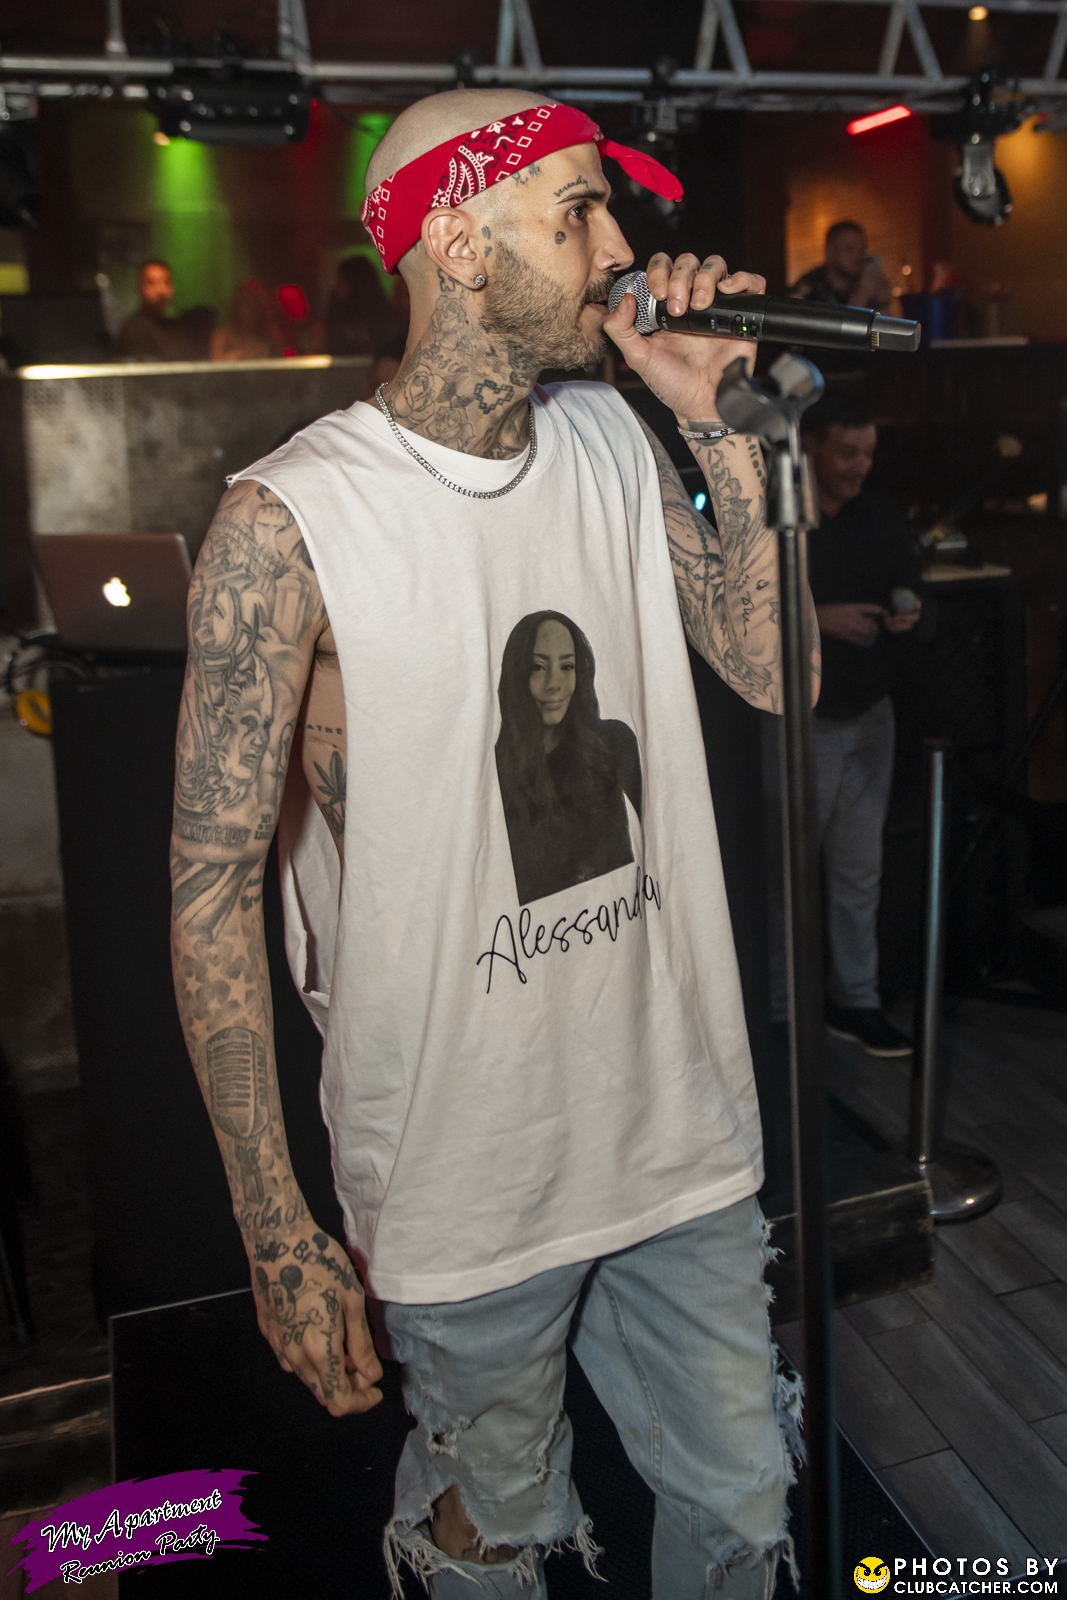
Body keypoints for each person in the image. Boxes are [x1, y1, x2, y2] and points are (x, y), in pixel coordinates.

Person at [171, 87, 818, 1600]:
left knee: (742, 1503)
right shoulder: (290, 523)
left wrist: (711, 417)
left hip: (672, 1126)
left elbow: (775, 672)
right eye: (577, 210)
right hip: (465, 1172)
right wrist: (275, 1228)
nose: (619, 247)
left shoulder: (611, 439)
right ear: (458, 245)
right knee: (500, 1524)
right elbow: (208, 897)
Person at [773, 391, 922, 1058]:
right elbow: (738, 612)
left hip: (869, 710)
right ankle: (779, 1009)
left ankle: (854, 1000)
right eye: (847, 453)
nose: (859, 465)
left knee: (860, 872)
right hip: (801, 718)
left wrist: (911, 610)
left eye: (868, 453)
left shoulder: (882, 516)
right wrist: (819, 619)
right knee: (785, 875)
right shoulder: (779, 515)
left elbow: (911, 585)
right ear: (810, 446)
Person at [495, 610, 642, 905]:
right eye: (538, 667)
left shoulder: (614, 743)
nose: (554, 683)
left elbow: (662, 836)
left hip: (620, 918)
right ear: (517, 674)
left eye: (567, 666)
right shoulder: (495, 769)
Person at [789, 220, 892, 312]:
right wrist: (861, 296)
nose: (859, 256)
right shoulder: (808, 289)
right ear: (829, 251)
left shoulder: (862, 281)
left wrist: (882, 303)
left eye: (862, 249)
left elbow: (880, 326)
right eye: (850, 249)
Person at [324, 253, 406, 357]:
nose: (337, 286)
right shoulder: (337, 315)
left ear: (355, 283)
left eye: (341, 280)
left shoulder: (384, 318)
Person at [118, 259, 185, 360]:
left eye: (166, 282)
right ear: (140, 288)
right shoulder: (134, 329)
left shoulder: (176, 327)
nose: (161, 290)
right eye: (151, 283)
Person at [210, 279, 285, 362]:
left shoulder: (271, 340)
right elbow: (217, 366)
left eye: (253, 302)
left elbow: (281, 367)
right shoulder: (222, 337)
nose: (249, 309)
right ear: (236, 305)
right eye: (244, 302)